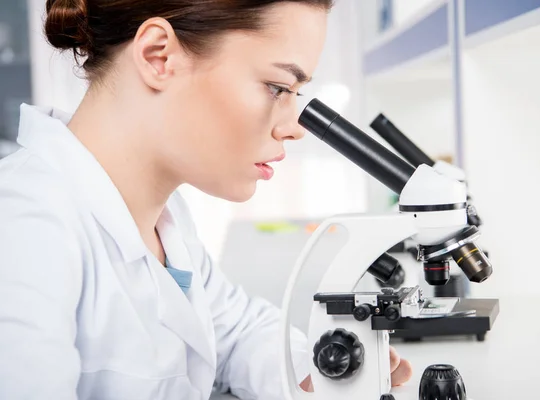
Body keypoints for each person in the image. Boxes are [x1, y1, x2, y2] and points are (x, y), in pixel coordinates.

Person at [0, 0, 412, 399]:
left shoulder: (162, 214)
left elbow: (235, 332)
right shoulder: (23, 226)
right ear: (158, 56)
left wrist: (318, 373)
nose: (294, 128)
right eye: (277, 87)